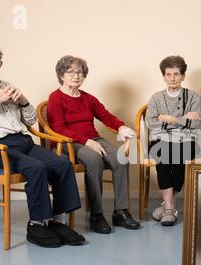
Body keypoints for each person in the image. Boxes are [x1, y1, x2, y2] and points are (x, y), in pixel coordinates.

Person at [0, 42, 84, 248]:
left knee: (63, 164)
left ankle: (58, 223)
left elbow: (31, 120)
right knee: (37, 168)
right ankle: (36, 225)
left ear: (1, 63)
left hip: (21, 141)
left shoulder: (7, 85)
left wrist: (23, 100)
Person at [47, 55, 140, 234]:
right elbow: (58, 128)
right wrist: (86, 142)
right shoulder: (56, 98)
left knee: (122, 160)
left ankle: (120, 211)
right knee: (95, 161)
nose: (76, 76)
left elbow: (106, 116)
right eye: (71, 72)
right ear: (61, 74)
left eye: (80, 72)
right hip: (69, 142)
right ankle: (96, 215)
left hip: (93, 139)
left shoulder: (88, 98)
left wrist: (120, 126)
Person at [146, 55, 201, 226]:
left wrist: (168, 118)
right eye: (168, 74)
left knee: (179, 157)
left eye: (176, 74)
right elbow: (151, 122)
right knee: (163, 156)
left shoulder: (193, 97)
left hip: (187, 140)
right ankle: (171, 207)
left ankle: (167, 206)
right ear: (163, 76)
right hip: (161, 139)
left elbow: (196, 123)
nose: (172, 78)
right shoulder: (156, 97)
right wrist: (182, 119)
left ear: (183, 76)